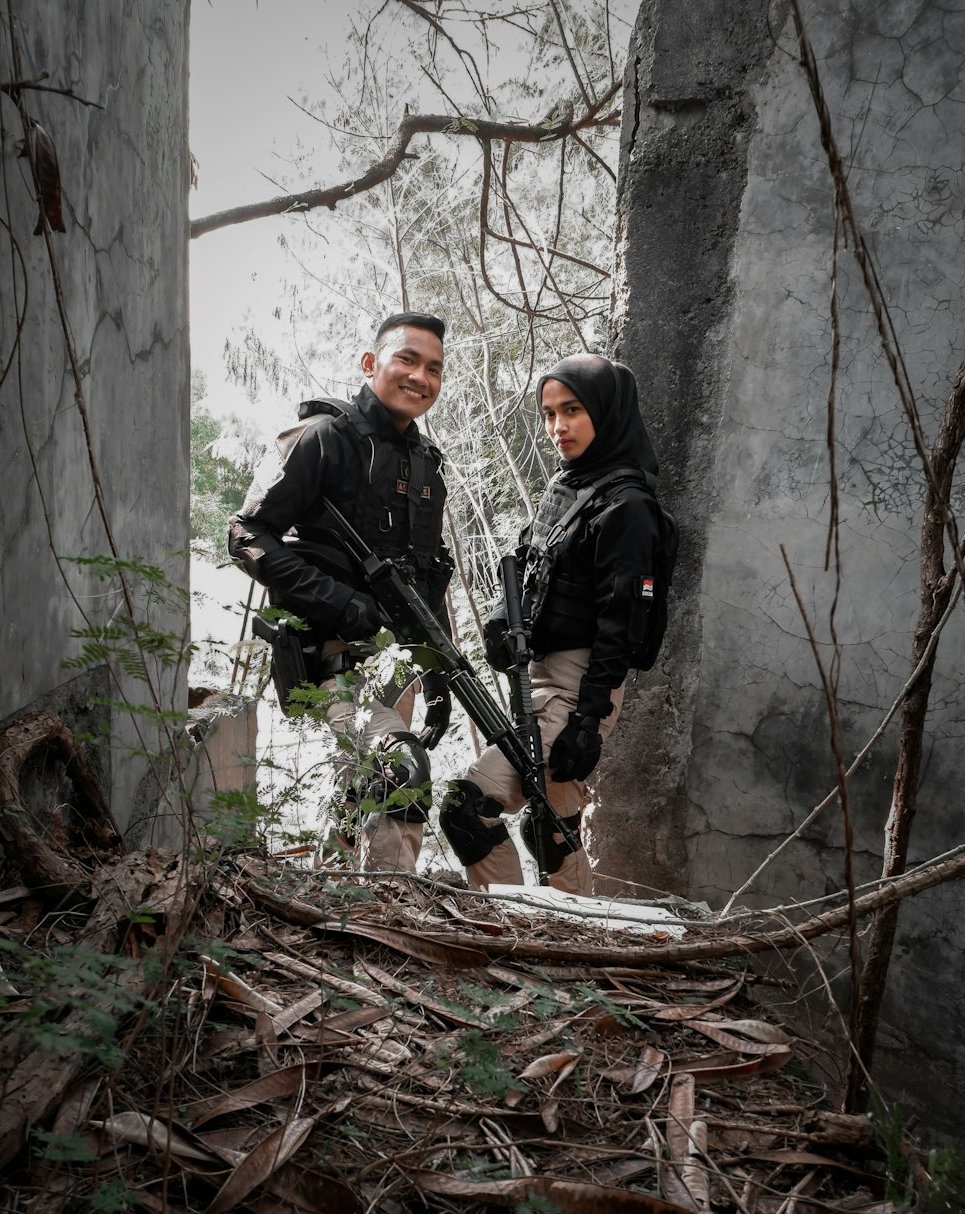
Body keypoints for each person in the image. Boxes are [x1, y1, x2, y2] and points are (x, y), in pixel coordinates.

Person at [439, 352, 675, 896]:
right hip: (537, 677)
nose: (557, 427)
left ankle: (510, 925)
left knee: (468, 807)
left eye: (572, 410)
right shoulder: (570, 487)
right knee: (551, 826)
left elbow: (623, 623)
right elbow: (527, 564)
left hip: (579, 686)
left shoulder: (628, 506)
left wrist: (589, 722)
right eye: (548, 414)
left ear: (606, 412)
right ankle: (578, 935)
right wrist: (502, 619)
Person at [227, 312, 454, 873]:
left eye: (434, 369)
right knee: (400, 769)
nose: (420, 377)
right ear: (371, 363)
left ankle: (335, 898)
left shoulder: (427, 466)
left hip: (400, 663)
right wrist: (339, 603)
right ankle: (392, 916)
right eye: (407, 359)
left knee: (359, 788)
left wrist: (440, 671)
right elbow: (245, 534)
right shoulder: (322, 438)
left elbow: (427, 576)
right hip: (330, 652)